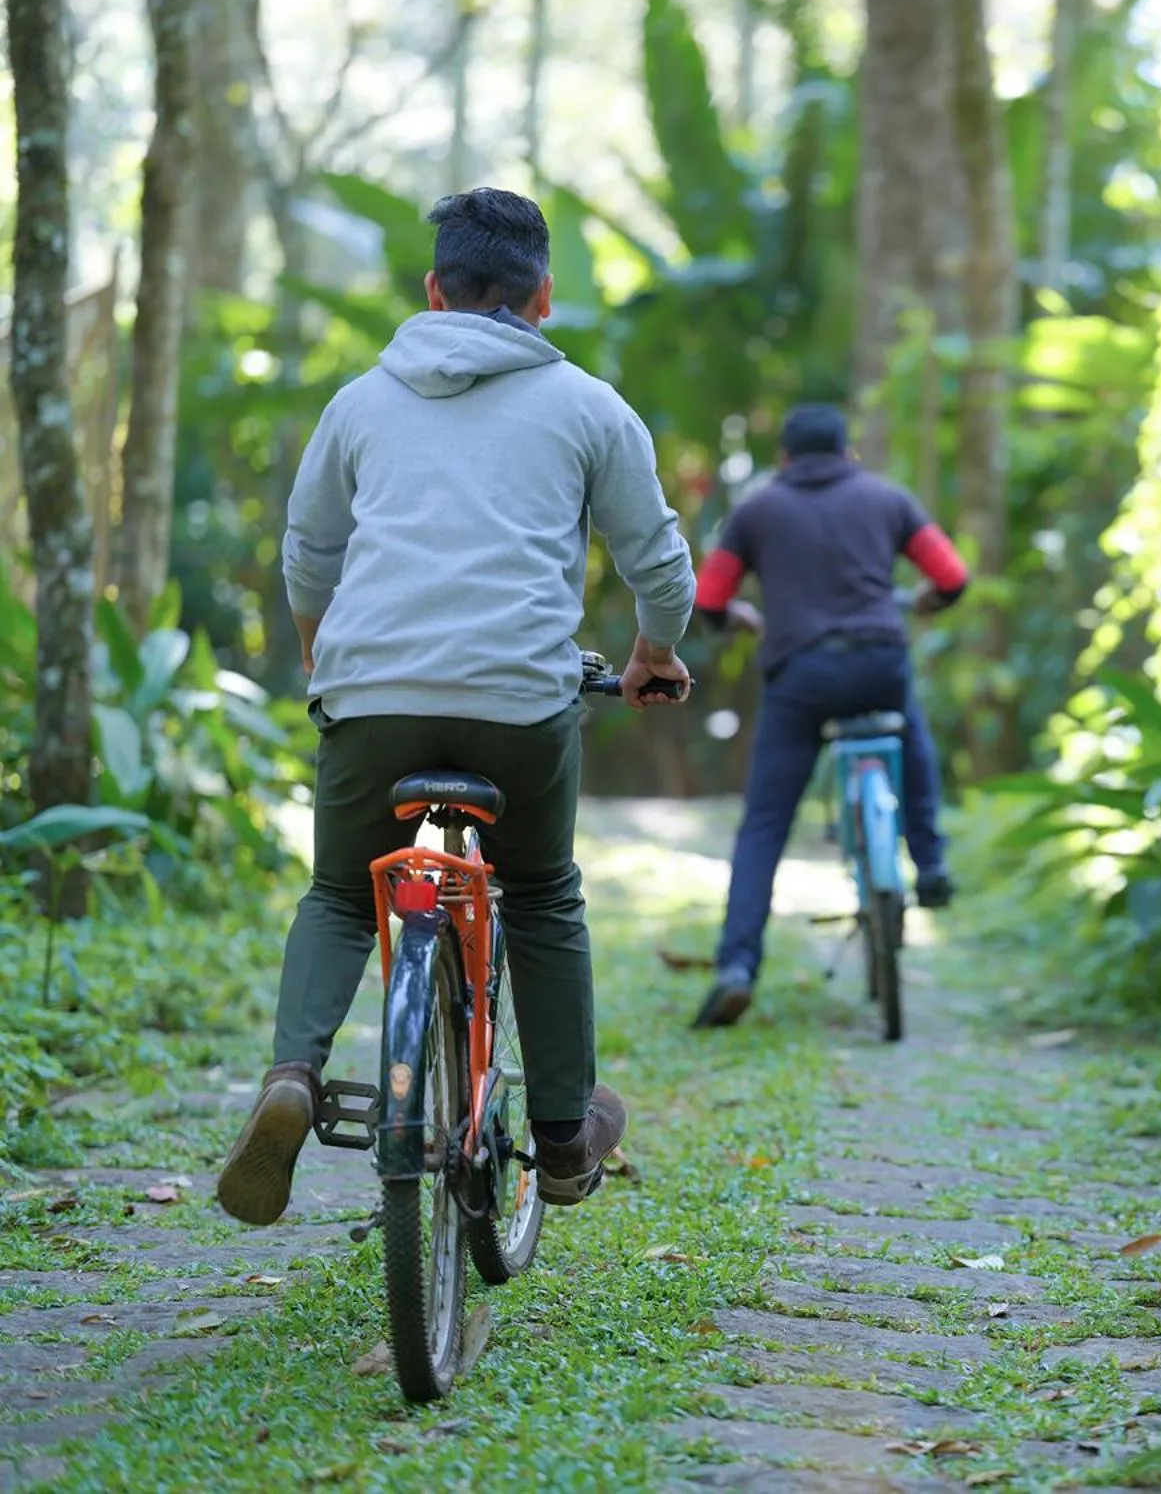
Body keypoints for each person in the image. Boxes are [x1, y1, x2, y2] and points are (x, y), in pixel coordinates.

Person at [216, 188, 696, 1226]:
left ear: (432, 293)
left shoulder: (359, 402)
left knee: (343, 894)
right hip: (518, 708)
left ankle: (293, 1080)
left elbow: (309, 552)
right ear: (544, 299)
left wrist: (326, 657)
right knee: (542, 894)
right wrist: (652, 651)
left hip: (368, 700)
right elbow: (659, 562)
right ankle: (564, 1143)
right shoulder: (588, 406)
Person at [688, 404, 967, 1029]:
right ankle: (932, 864)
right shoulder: (886, 498)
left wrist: (738, 618)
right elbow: (952, 576)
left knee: (764, 822)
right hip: (878, 661)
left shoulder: (758, 509)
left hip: (801, 679)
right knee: (909, 729)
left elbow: (709, 597)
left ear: (785, 457)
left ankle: (736, 966)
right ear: (847, 454)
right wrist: (923, 601)